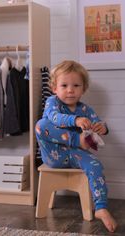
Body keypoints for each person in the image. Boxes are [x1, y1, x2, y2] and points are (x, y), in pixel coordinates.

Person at [35, 60, 117, 233]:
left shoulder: (85, 109)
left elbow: (97, 122)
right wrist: (75, 121)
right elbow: (55, 118)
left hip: (76, 155)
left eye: (76, 85)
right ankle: (77, 140)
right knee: (41, 124)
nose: (70, 90)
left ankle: (101, 207)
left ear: (83, 89)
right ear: (54, 88)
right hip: (53, 154)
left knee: (95, 165)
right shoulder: (52, 102)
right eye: (64, 85)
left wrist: (102, 127)